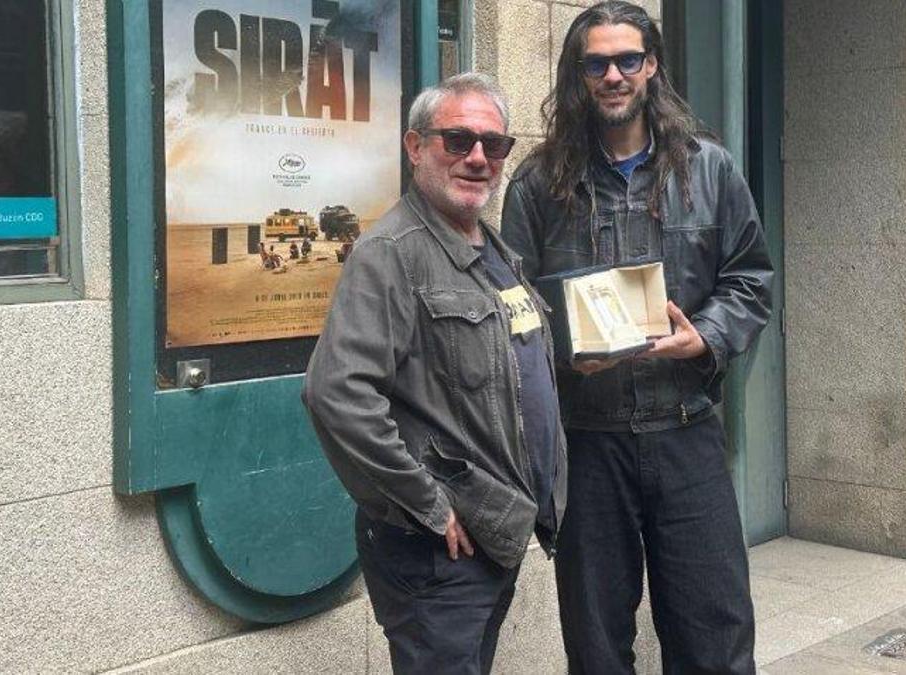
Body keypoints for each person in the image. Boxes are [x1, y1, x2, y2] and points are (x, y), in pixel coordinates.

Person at [501, 2, 773, 673]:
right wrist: (566, 355)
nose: (613, 75)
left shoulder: (709, 170)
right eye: (597, 63)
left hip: (687, 432)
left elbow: (750, 280)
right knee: (595, 647)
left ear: (652, 66)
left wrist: (704, 335)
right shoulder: (538, 186)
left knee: (715, 634)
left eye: (627, 60)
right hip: (589, 446)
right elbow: (509, 315)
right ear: (579, 73)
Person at [303, 72, 566, 675]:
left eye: (493, 145)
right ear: (416, 147)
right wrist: (430, 505)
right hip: (438, 552)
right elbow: (337, 395)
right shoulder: (392, 252)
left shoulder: (492, 251)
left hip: (492, 538)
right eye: (457, 140)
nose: (477, 157)